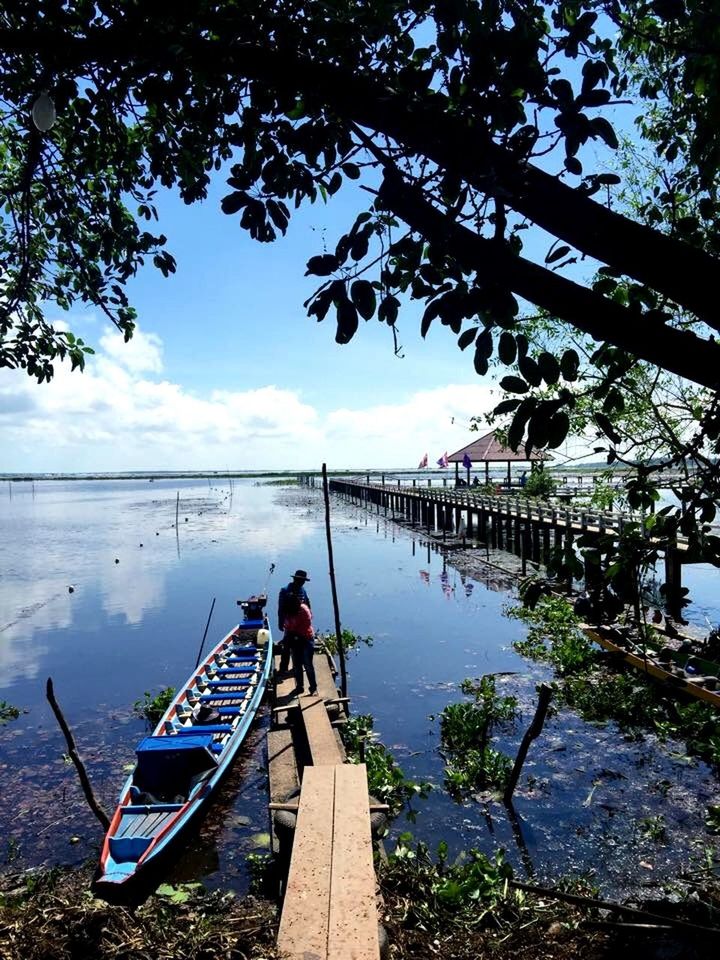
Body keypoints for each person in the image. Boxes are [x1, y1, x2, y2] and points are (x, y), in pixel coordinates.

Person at [282, 593, 317, 696]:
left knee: (308, 664)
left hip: (305, 638)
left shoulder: (304, 610)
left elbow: (303, 627)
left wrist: (292, 633)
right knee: (297, 665)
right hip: (294, 638)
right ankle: (299, 687)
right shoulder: (288, 611)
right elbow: (287, 626)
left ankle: (313, 687)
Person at [277, 569, 311, 673]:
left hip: (301, 625)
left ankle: (297, 667)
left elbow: (308, 604)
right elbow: (281, 608)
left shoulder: (303, 590)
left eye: (303, 580)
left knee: (299, 647)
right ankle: (283, 669)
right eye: (300, 580)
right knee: (286, 647)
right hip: (290, 623)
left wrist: (308, 621)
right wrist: (280, 622)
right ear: (295, 579)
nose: (302, 582)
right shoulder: (285, 590)